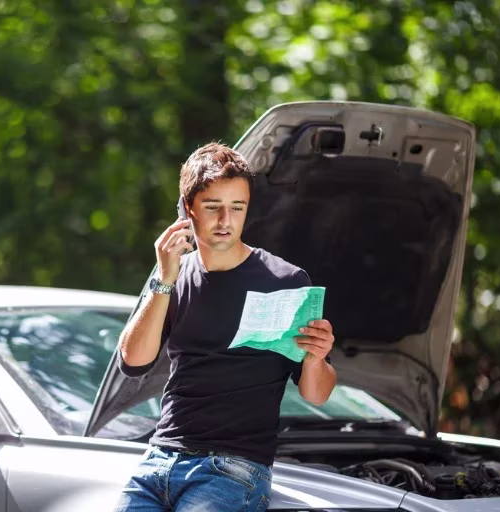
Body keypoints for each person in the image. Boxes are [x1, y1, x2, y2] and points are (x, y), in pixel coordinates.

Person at [114, 142, 337, 512]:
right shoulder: (172, 275)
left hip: (233, 468)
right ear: (188, 209)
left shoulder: (284, 279)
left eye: (237, 208)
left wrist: (316, 358)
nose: (225, 221)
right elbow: (133, 362)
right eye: (213, 207)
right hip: (159, 459)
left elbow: (316, 394)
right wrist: (164, 277)